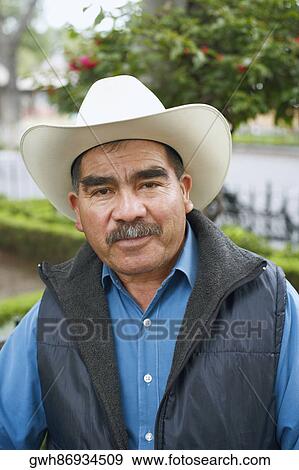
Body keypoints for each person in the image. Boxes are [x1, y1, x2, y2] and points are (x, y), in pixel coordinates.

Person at [0, 75, 298, 450]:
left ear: (184, 191)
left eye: (149, 184)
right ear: (77, 210)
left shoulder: (274, 304)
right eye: (103, 190)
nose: (128, 211)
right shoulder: (47, 319)